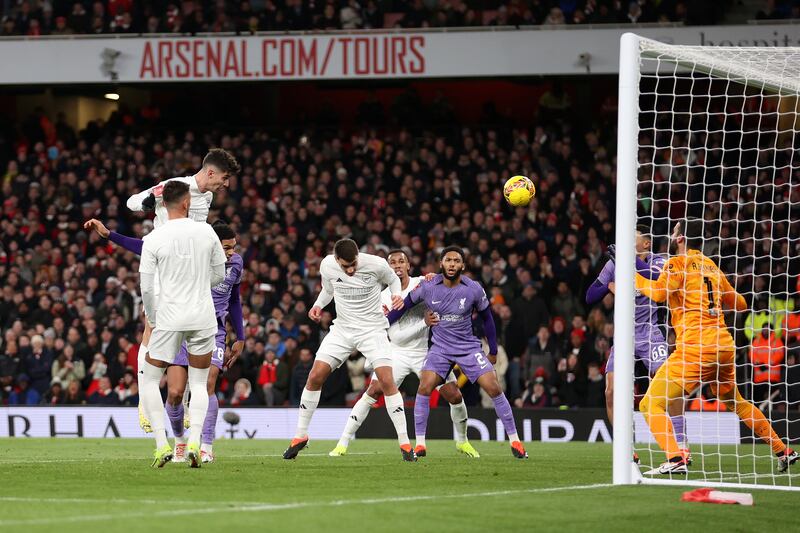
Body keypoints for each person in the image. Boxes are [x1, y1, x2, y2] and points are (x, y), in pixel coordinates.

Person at [637, 220, 797, 474]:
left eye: (674, 233)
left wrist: (631, 273)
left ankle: (675, 457)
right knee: (736, 401)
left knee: (650, 404)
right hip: (723, 346)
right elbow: (741, 303)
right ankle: (783, 450)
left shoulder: (677, 263)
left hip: (695, 347)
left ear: (680, 240)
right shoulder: (712, 268)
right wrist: (712, 302)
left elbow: (657, 293)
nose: (671, 237)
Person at [125, 148, 239, 433]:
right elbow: (131, 202)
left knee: (193, 335)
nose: (226, 184)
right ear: (211, 172)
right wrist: (149, 202)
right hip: (165, 270)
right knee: (153, 327)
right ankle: (144, 401)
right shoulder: (173, 188)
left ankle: (187, 403)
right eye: (224, 178)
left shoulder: (208, 197)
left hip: (191, 274)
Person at [329, 249, 479, 458]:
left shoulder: (423, 283)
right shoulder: (381, 296)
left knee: (454, 395)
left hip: (426, 353)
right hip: (396, 353)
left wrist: (435, 279)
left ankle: (462, 442)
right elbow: (396, 336)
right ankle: (342, 444)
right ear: (387, 269)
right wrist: (423, 323)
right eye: (392, 263)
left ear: (409, 266)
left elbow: (445, 283)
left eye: (401, 262)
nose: (397, 266)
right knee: (372, 392)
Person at [389, 246, 528, 459]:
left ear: (463, 265)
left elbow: (488, 318)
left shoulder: (473, 288)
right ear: (441, 263)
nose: (452, 264)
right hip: (440, 349)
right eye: (448, 260)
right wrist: (382, 322)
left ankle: (516, 441)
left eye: (456, 261)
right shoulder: (428, 286)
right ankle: (420, 444)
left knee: (493, 387)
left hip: (467, 347)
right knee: (424, 386)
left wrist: (492, 349)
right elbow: (403, 307)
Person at [283, 238, 415, 461]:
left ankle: (405, 444)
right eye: (346, 266)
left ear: (358, 256)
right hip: (343, 330)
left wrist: (396, 295)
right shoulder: (327, 265)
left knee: (386, 381)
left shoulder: (376, 264)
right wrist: (317, 305)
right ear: (336, 260)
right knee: (314, 376)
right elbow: (328, 290)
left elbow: (393, 279)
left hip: (372, 330)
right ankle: (300, 436)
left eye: (354, 263)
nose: (351, 269)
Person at [137, 180, 227, 468]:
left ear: (163, 205)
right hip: (203, 317)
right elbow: (220, 274)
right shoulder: (207, 232)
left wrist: (152, 316)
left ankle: (162, 445)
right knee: (200, 384)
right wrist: (201, 284)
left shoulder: (154, 238)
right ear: (187, 203)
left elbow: (147, 288)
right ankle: (195, 441)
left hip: (169, 317)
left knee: (151, 379)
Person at [586, 225, 688, 461]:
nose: (627, 241)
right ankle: (626, 448)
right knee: (611, 392)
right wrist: (610, 286)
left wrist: (627, 260)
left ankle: (681, 445)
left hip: (651, 333)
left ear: (646, 244)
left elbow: (654, 277)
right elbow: (590, 296)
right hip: (623, 336)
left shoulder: (658, 261)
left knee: (669, 388)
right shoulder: (615, 263)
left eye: (634, 238)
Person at [166, 220, 245, 464]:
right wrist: (111, 236)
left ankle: (205, 445)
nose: (231, 252)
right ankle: (180, 440)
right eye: (226, 247)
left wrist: (240, 336)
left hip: (214, 331)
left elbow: (234, 300)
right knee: (176, 392)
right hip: (182, 328)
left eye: (233, 247)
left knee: (208, 383)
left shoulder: (236, 263)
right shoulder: (193, 258)